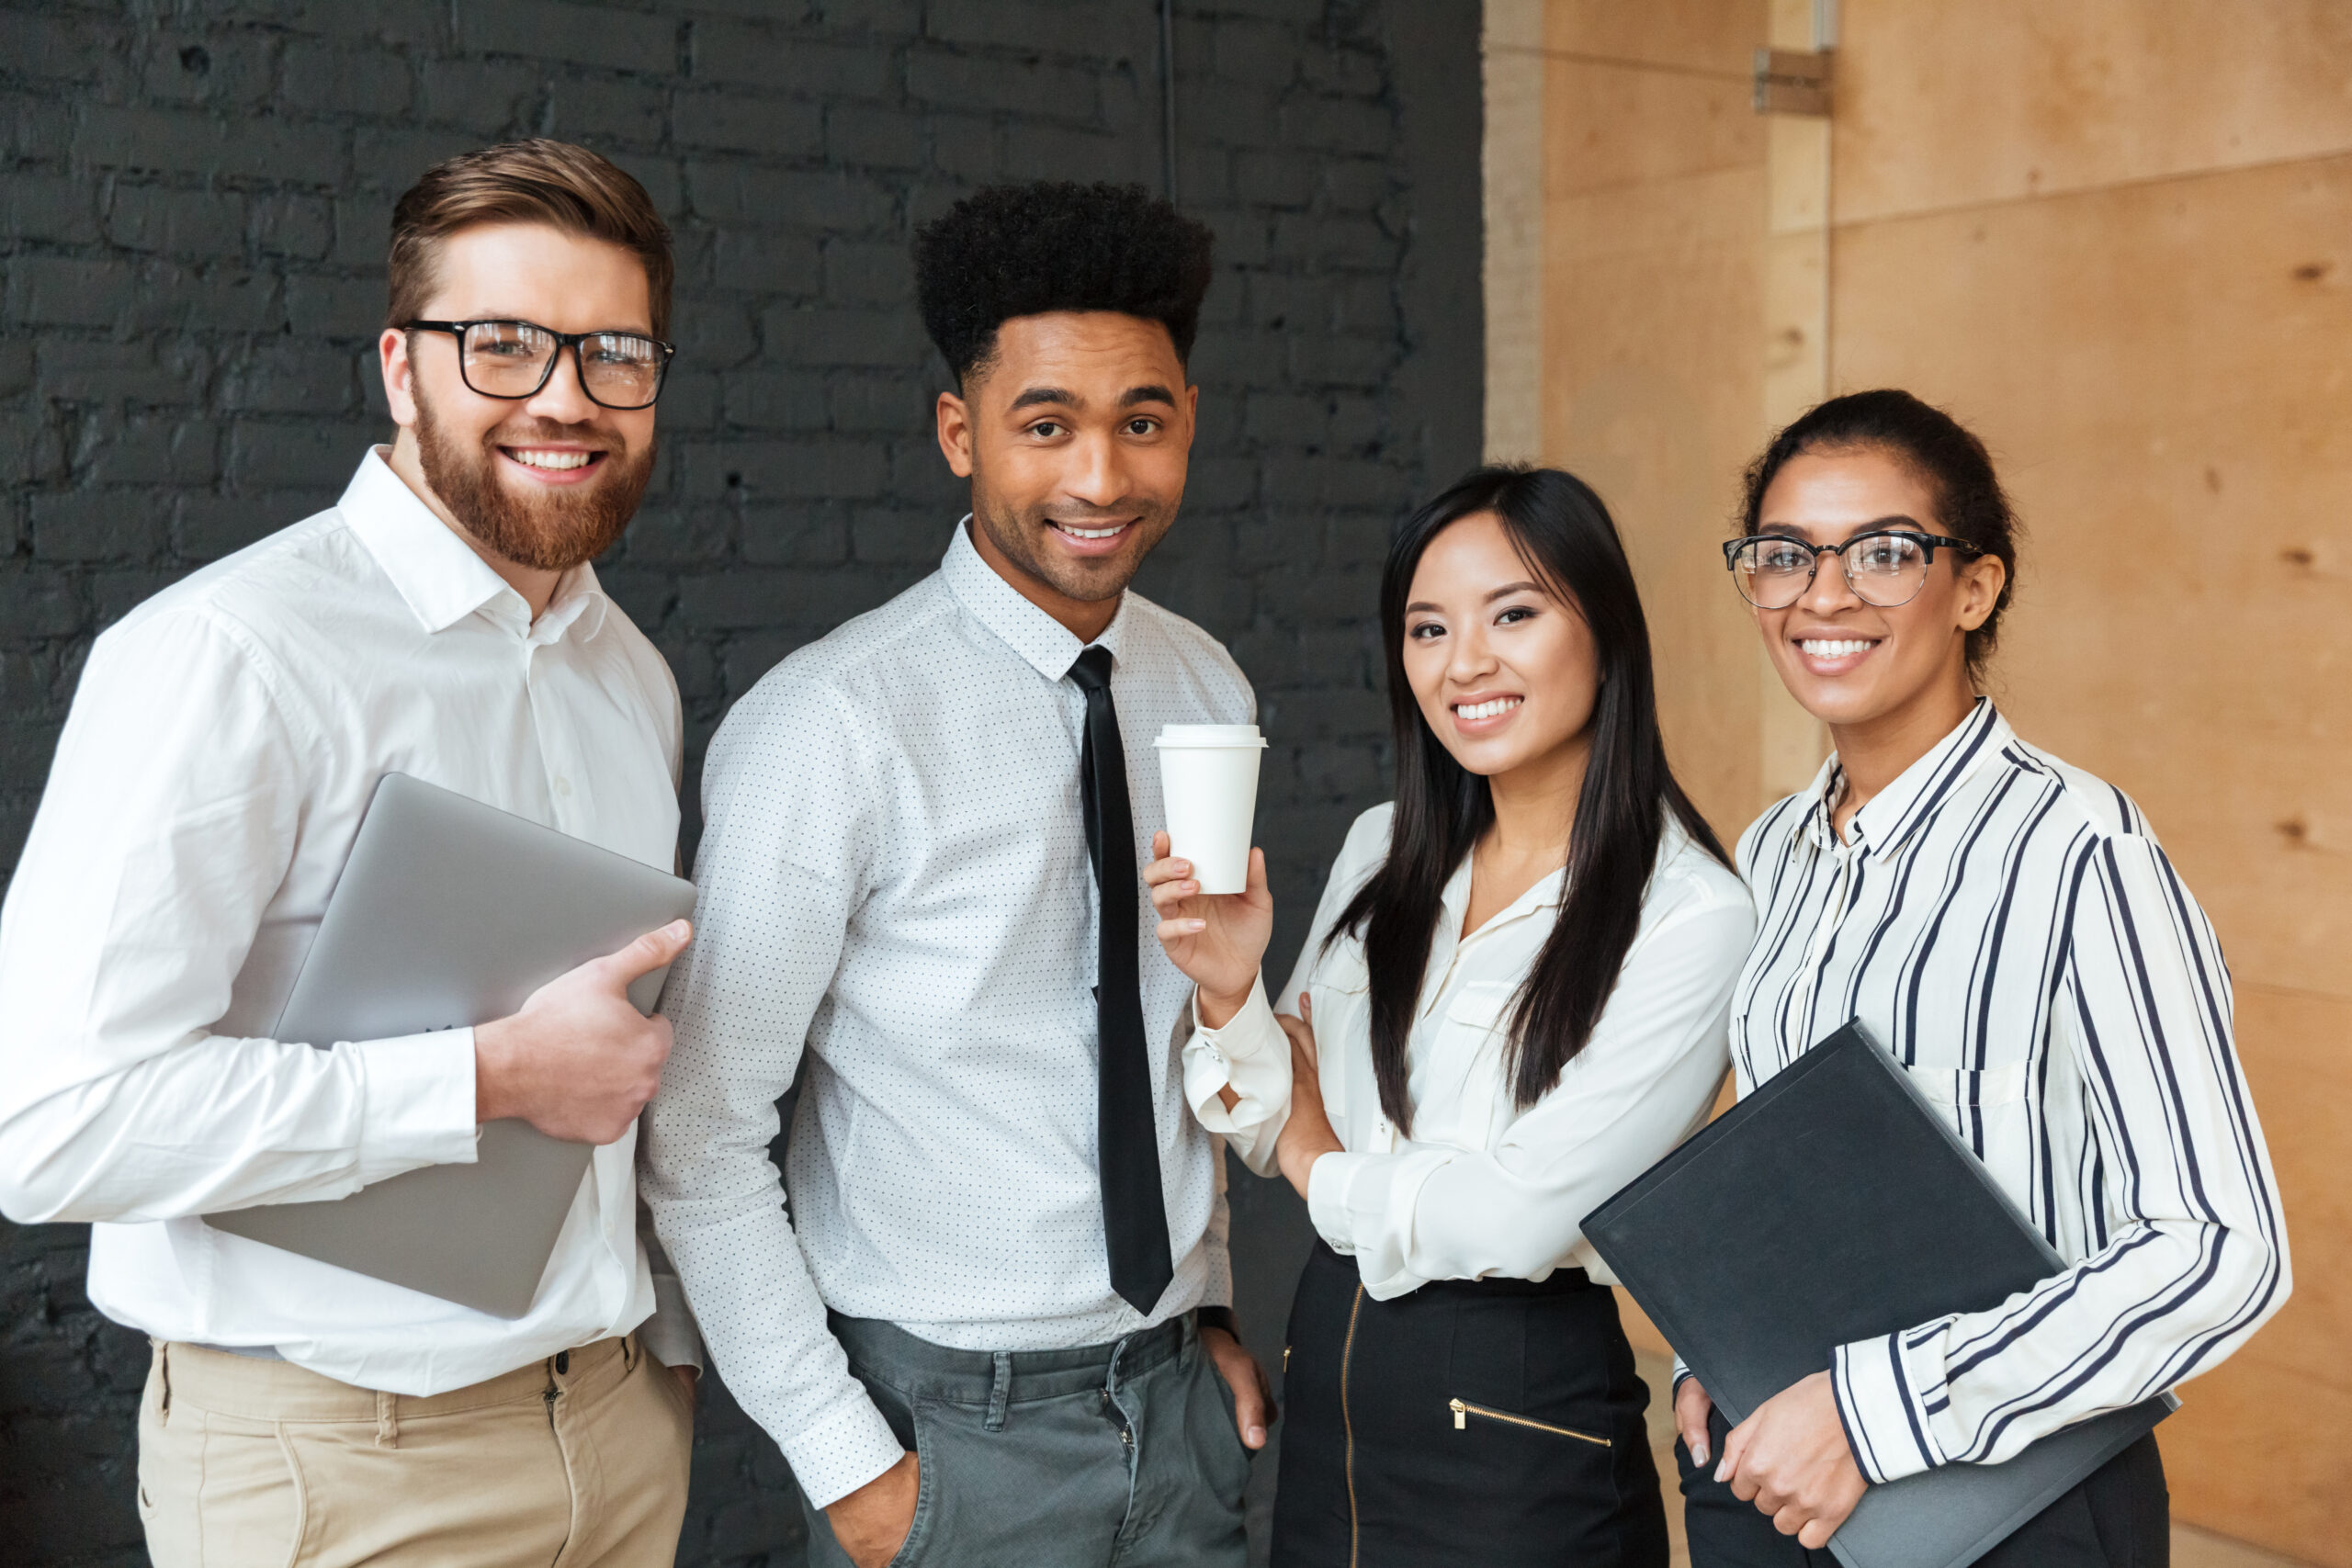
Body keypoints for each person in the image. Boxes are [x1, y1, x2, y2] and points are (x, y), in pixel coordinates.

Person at [0, 140, 705, 1567]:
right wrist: (490, 1073)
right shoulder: (229, 656)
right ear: (401, 367)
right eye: (501, 345)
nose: (565, 397)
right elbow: (49, 1124)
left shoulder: (630, 674)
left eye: (614, 351)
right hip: (336, 1469)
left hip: (619, 1435)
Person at [641, 181, 1280, 1568]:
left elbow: (1189, 1028)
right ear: (959, 433)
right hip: (943, 1430)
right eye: (1045, 424)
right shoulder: (835, 724)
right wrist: (852, 1467)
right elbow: (696, 1132)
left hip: (1180, 1414)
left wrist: (1211, 1303)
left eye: (1143, 422)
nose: (1101, 477)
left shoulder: (1204, 683)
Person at [1674, 389, 2290, 1563]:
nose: (1824, 594)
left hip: (2009, 1510)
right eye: (1784, 555)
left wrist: (1873, 1411)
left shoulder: (2079, 852)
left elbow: (2219, 1249)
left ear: (1975, 587)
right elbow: (1787, 1172)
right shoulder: (1773, 852)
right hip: (1783, 1489)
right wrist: (1723, 1349)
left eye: (1885, 553)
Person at [1152, 467, 1757, 1566]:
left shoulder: (1691, 915)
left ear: (1605, 629)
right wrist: (1229, 989)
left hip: (1519, 1420)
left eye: (1513, 615)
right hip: (1331, 1386)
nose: (1463, 663)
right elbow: (1258, 1114)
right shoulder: (1383, 848)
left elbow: (1517, 1220)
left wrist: (1314, 1155)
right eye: (1427, 629)